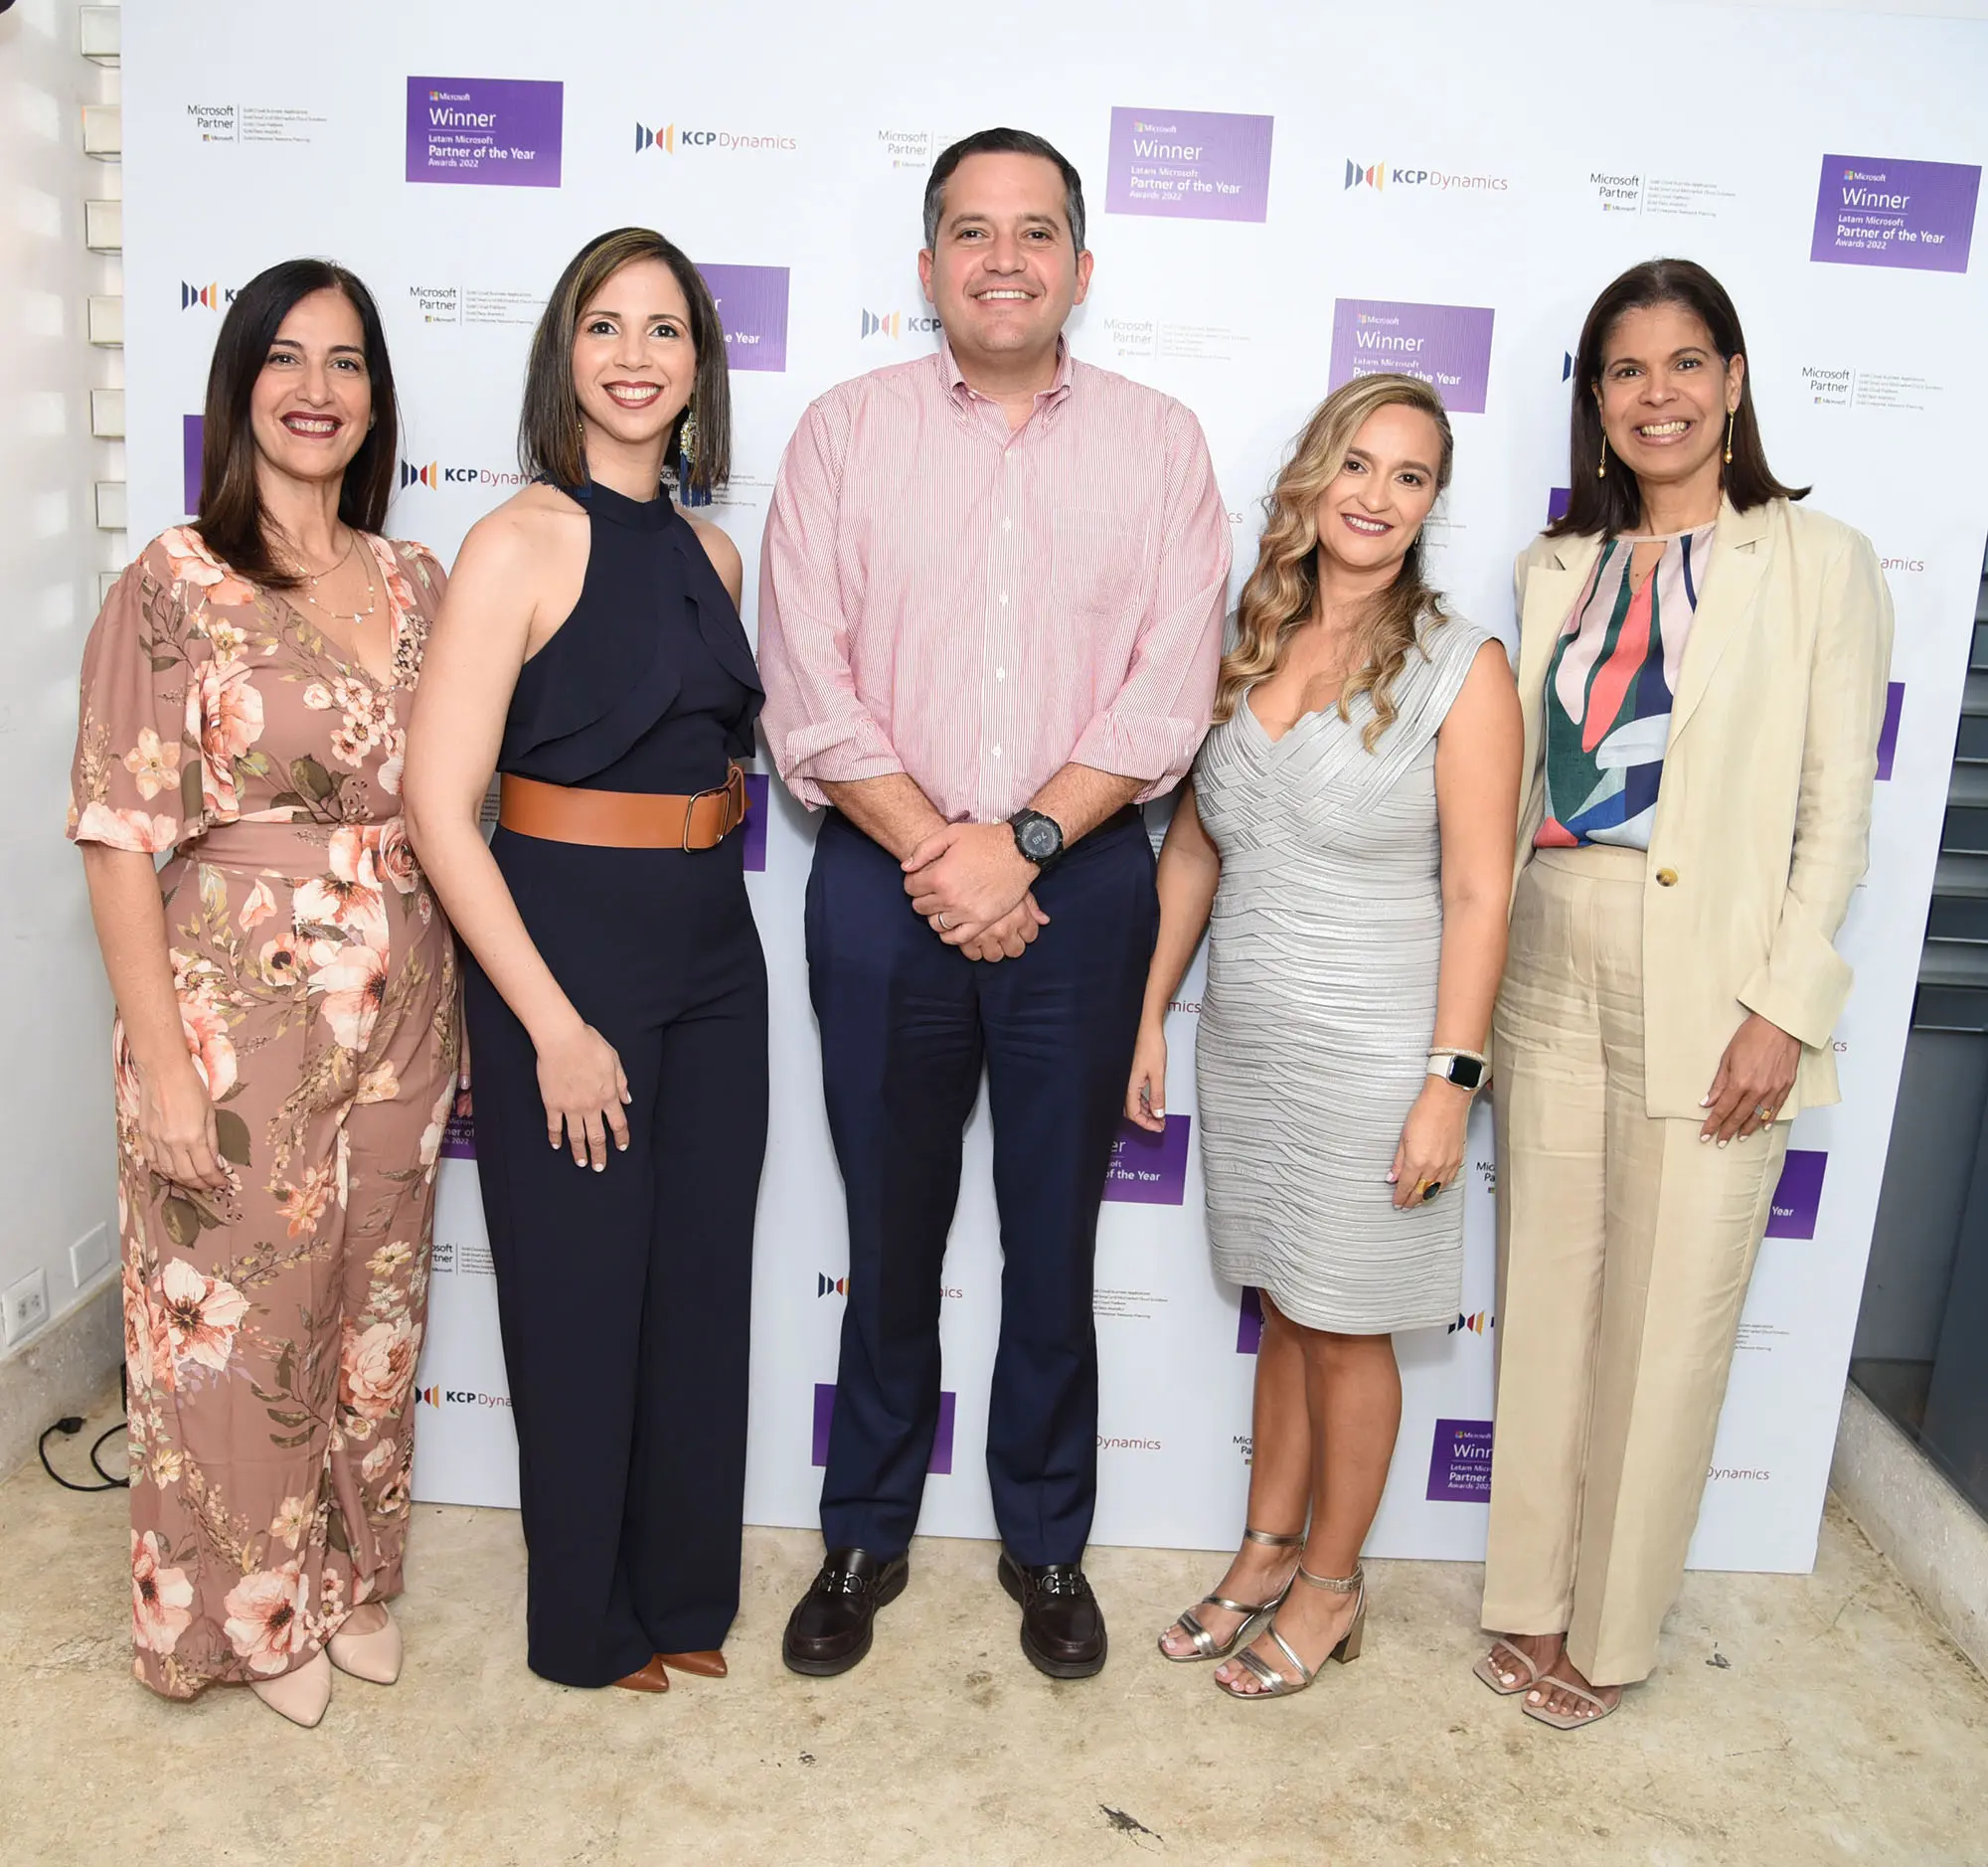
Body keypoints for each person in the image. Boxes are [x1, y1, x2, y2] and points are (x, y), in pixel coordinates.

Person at [759, 127, 1231, 1681]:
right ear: (926, 268)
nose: (1005, 259)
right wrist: (941, 848)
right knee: (889, 1240)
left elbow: (1172, 694)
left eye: (1038, 233)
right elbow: (807, 686)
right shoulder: (840, 432)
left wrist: (1019, 841)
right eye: (973, 232)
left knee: (1052, 1236)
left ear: (1083, 270)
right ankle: (864, 1530)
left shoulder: (1162, 445)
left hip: (1083, 889)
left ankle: (1045, 1539)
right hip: (883, 886)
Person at [1477, 258, 1895, 1729]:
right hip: (1548, 941)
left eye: (1684, 363)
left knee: (1670, 1316)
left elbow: (1837, 808)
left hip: (1716, 975)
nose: (1657, 394)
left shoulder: (1818, 559)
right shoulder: (1557, 565)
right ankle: (1527, 1591)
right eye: (1625, 370)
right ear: (1592, 402)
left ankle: (1615, 1628)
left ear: (1731, 381)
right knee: (1549, 1287)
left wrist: (1785, 1003)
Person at [69, 259, 456, 1727]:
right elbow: (116, 831)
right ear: (238, 390)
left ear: (376, 398)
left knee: (369, 1303)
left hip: (409, 998)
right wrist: (164, 1063)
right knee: (240, 1313)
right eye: (285, 360)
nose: (316, 389)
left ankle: (346, 1579)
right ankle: (242, 1614)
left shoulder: (417, 580)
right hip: (238, 1001)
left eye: (346, 362)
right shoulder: (174, 579)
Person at [402, 229, 764, 1696]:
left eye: (663, 329)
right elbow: (440, 805)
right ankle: (586, 1628)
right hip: (564, 947)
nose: (634, 356)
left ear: (697, 366)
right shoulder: (517, 541)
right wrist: (548, 1018)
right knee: (580, 1292)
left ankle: (682, 1595)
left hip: (715, 948)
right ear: (567, 356)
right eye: (604, 327)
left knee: (697, 1284)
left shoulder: (714, 551)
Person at [1128, 374, 1520, 1698]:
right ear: (1314, 472)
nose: (1377, 495)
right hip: (1253, 1039)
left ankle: (1335, 1586)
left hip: (1380, 1047)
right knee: (1288, 1309)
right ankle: (1262, 1551)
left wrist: (1448, 1087)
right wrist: (1146, 1013)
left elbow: (1481, 890)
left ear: (1431, 503)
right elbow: (1191, 845)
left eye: (1410, 476)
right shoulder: (1252, 631)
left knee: (1347, 1326)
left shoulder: (1463, 668)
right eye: (1358, 463)